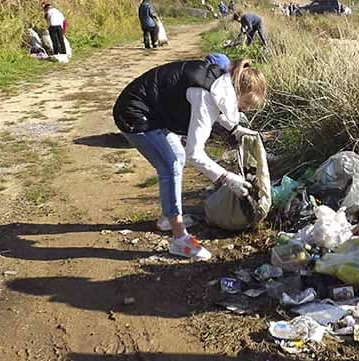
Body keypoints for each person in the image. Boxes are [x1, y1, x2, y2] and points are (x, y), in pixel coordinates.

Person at [112, 58, 267, 260]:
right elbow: (195, 153)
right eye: (245, 104)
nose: (244, 110)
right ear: (238, 90)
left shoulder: (221, 80)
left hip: (154, 109)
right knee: (171, 164)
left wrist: (235, 129)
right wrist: (227, 179)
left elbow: (217, 103)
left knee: (175, 158)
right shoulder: (206, 95)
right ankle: (180, 239)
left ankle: (168, 219)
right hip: (134, 112)